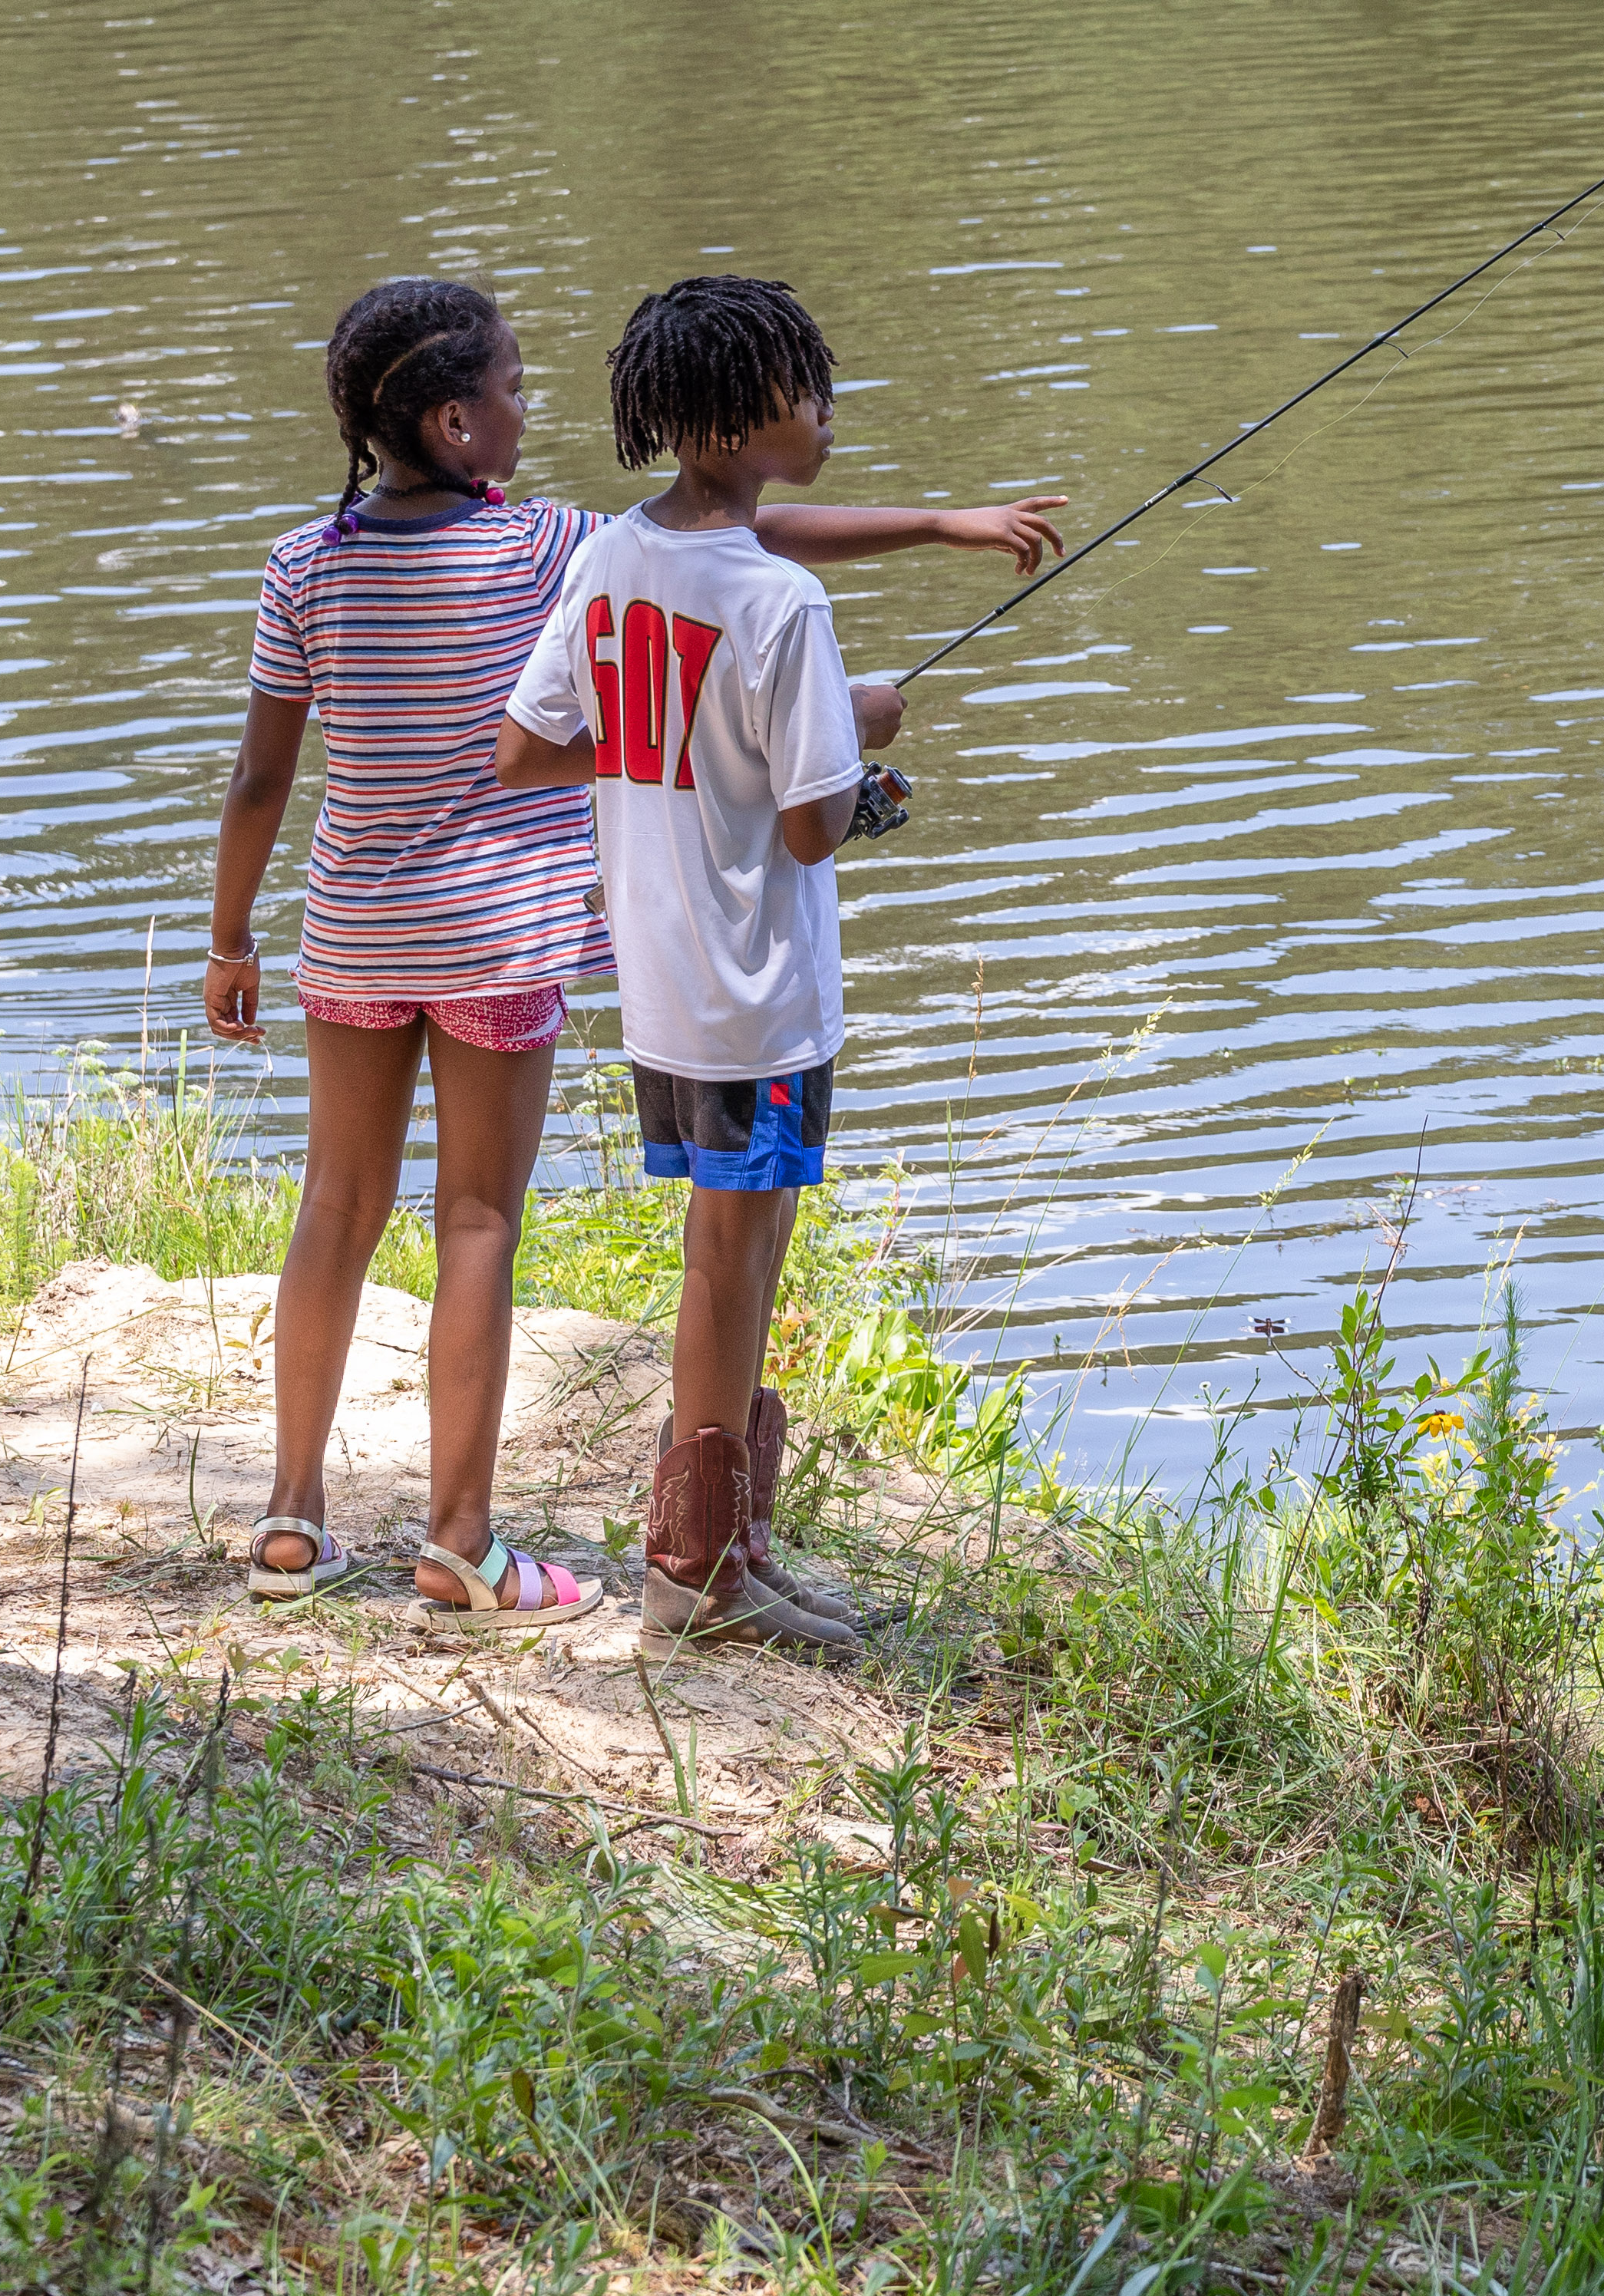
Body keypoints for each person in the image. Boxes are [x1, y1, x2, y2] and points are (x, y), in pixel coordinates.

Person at [202, 275, 1058, 1628]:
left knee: (333, 1208)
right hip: (500, 945)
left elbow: (261, 781)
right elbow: (748, 545)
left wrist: (229, 936)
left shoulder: (306, 565)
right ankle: (462, 1537)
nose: (529, 411)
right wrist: (930, 545)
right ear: (455, 423)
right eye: (513, 392)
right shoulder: (544, 543)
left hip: (353, 935)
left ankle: (293, 1514)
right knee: (477, 1221)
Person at [497, 273, 1022, 1650]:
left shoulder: (611, 558)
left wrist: (714, 735)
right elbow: (807, 827)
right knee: (734, 1255)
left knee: (744, 1240)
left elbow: (533, 742)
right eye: (810, 388)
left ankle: (729, 1540)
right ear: (736, 422)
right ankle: (696, 1575)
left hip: (665, 981)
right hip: (757, 994)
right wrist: (860, 732)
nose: (829, 409)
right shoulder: (784, 604)